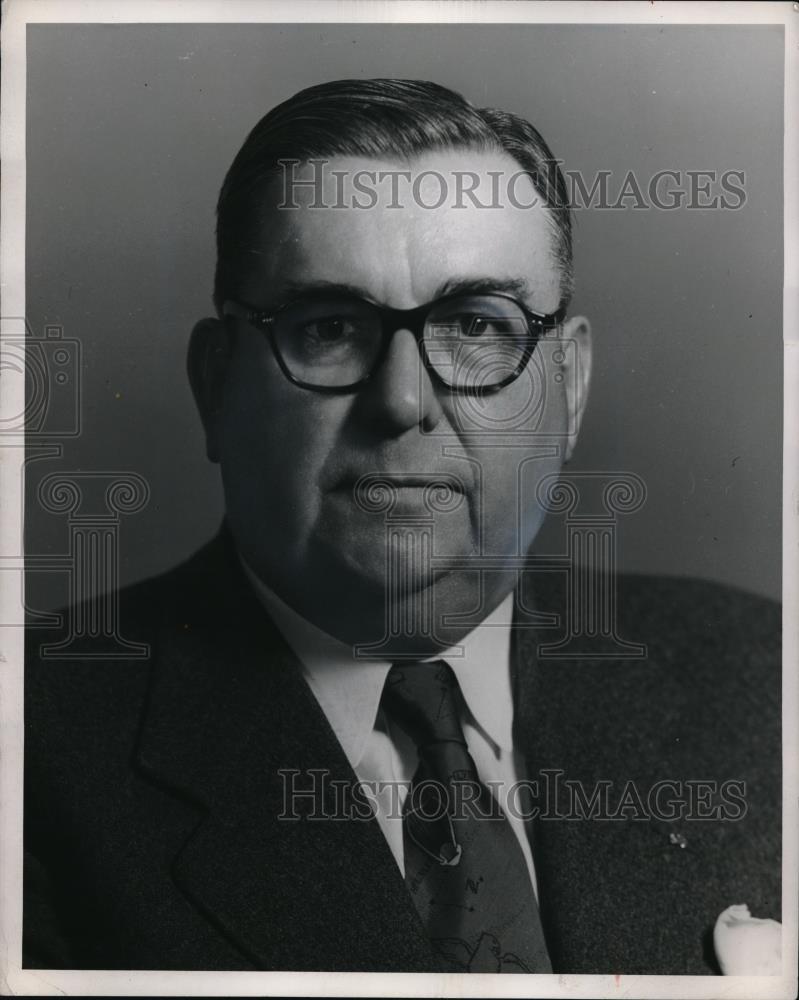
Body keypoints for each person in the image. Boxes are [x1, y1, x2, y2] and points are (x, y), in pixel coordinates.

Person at [23, 79, 780, 975]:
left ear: (569, 387)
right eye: (331, 326)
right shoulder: (28, 756)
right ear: (218, 386)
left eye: (474, 325)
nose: (402, 402)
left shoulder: (764, 679)